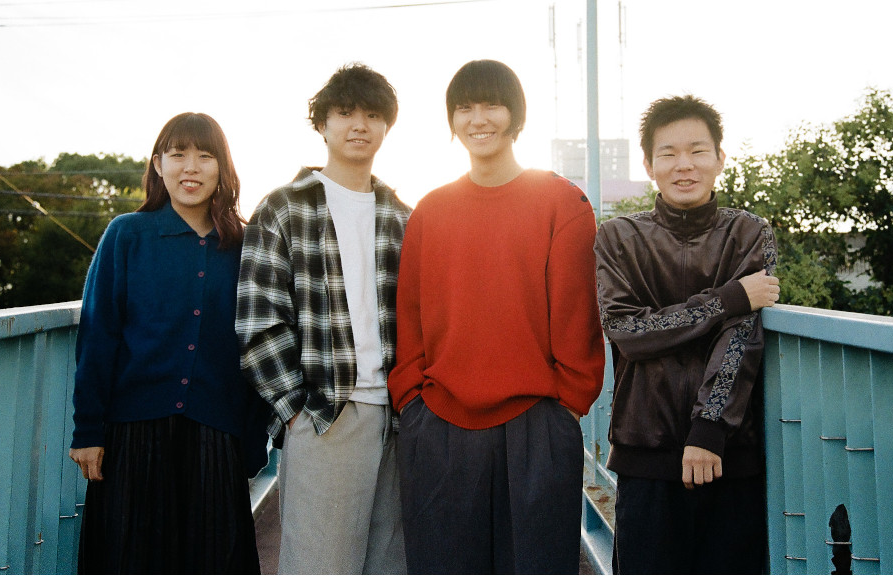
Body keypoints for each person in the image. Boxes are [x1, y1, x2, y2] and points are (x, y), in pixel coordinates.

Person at [388, 59, 605, 574]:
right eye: (464, 107)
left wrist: (568, 405)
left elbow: (577, 313)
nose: (478, 119)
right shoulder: (429, 211)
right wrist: (411, 400)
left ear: (516, 115)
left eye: (491, 105)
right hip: (438, 423)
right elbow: (410, 315)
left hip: (537, 421)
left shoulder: (562, 202)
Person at [69, 112, 269, 574]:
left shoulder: (246, 244)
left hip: (216, 432)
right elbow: (98, 334)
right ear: (158, 165)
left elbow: (258, 342)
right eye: (178, 154)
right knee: (129, 559)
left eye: (205, 156)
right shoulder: (127, 235)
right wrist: (88, 431)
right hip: (133, 433)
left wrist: (252, 440)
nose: (190, 167)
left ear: (223, 168)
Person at [595, 94, 780, 574]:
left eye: (698, 151)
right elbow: (627, 330)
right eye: (669, 153)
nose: (685, 165)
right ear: (649, 165)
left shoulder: (749, 232)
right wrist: (728, 299)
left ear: (720, 158)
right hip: (644, 451)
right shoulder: (618, 237)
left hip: (729, 452)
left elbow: (742, 336)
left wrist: (710, 426)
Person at [236, 63, 410, 574]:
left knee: (391, 565)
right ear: (323, 123)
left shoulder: (402, 216)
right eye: (345, 112)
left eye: (372, 114)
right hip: (327, 412)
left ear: (386, 126)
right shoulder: (284, 207)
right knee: (320, 566)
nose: (359, 125)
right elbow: (258, 319)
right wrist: (297, 410)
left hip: (398, 416)